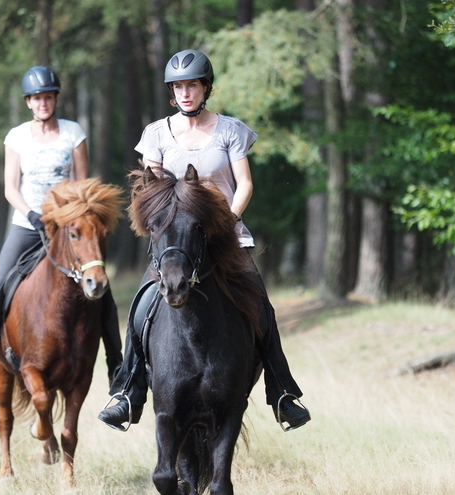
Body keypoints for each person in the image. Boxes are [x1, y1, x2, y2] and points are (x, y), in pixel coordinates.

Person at [98, 49, 310, 430]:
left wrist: (226, 221)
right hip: (175, 241)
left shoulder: (230, 130)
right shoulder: (156, 135)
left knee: (260, 304)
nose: (185, 93)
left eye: (191, 85)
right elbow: (150, 190)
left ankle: (281, 393)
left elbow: (244, 184)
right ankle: (128, 392)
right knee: (141, 305)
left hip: (225, 238)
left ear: (205, 88)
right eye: (178, 86)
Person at [0, 66, 122, 394]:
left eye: (48, 97)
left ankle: (117, 366)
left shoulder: (74, 132)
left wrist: (69, 218)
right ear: (28, 102)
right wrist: (32, 214)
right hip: (28, 225)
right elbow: (10, 187)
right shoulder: (16, 137)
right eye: (36, 98)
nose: (43, 103)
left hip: (67, 227)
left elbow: (82, 184)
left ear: (55, 99)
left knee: (102, 290)